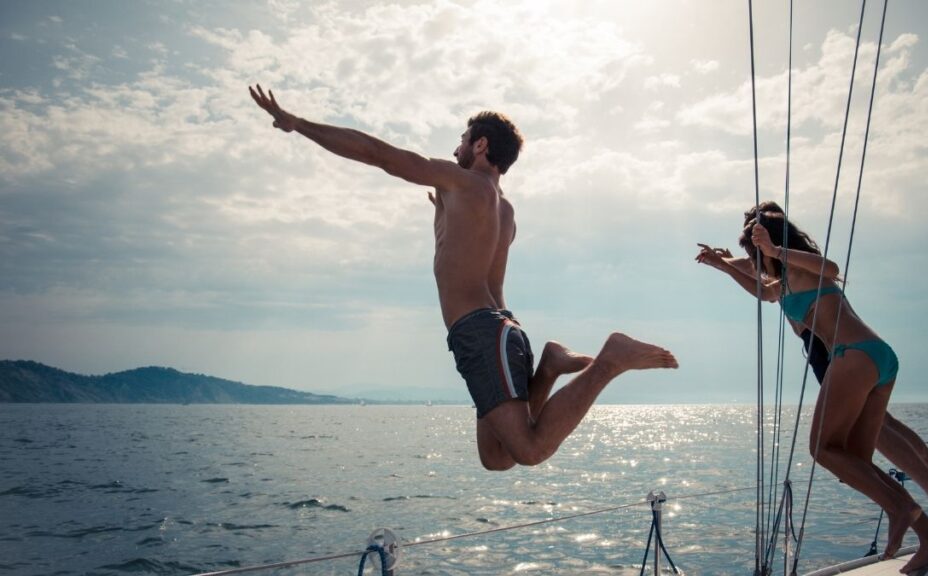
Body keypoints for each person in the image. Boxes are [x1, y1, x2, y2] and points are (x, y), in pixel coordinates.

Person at [249, 85, 678, 471]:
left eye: (461, 139)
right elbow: (474, 272)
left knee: (528, 451)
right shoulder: (505, 212)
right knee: (496, 459)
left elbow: (379, 155)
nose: (456, 147)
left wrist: (298, 123)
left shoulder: (461, 182)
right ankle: (547, 367)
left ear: (480, 144)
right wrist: (441, 214)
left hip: (478, 331)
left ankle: (610, 359)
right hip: (503, 329)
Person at [695, 206, 928, 573]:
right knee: (857, 462)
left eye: (758, 253)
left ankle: (904, 510)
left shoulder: (802, 267)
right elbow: (764, 292)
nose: (756, 260)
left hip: (855, 355)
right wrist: (723, 265)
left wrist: (772, 250)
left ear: (776, 243)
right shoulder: (785, 281)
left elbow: (831, 269)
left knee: (821, 448)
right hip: (874, 358)